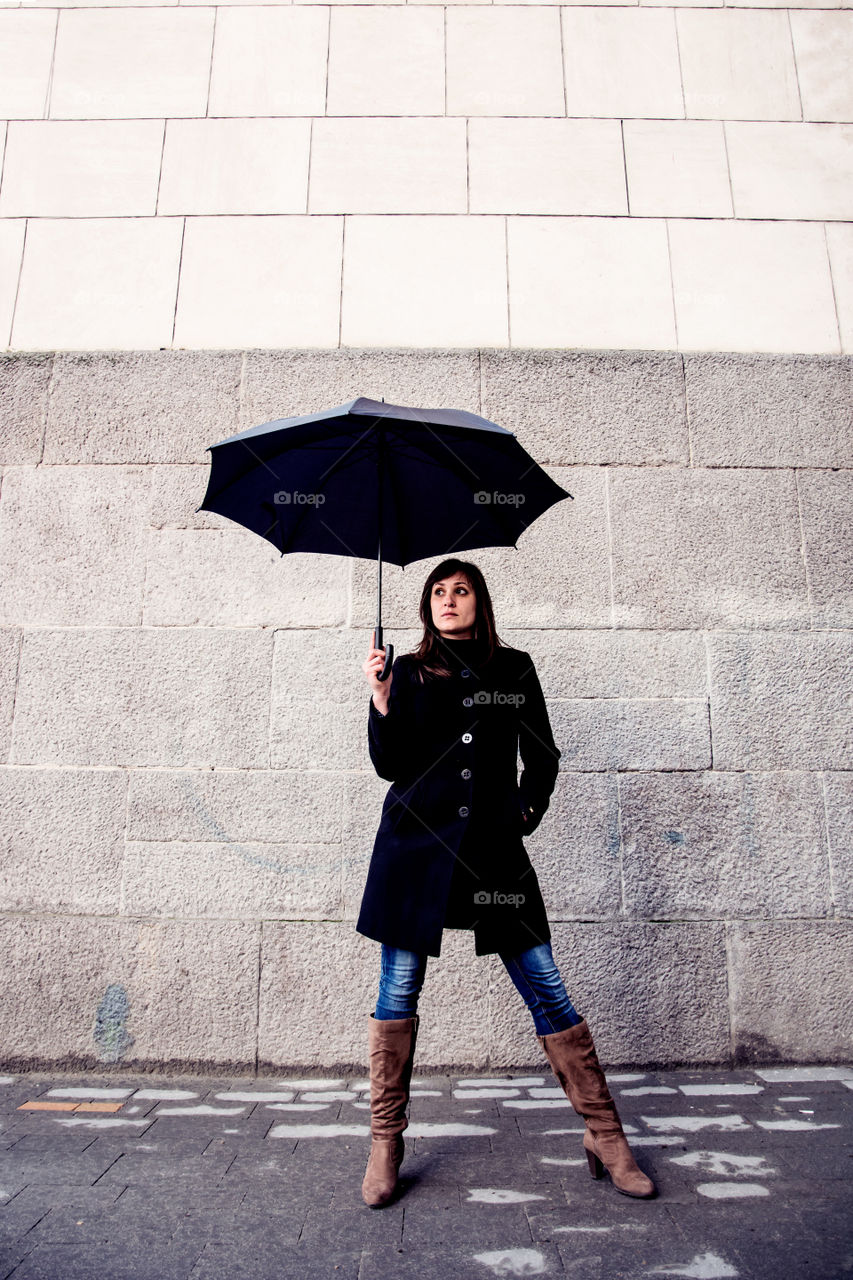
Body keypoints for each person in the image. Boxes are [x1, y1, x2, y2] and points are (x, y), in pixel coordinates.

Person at [357, 557, 655, 1209]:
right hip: (414, 852)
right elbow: (390, 766)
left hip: (493, 854)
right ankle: (385, 1142)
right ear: (425, 607)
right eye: (437, 592)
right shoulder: (406, 671)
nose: (448, 600)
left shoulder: (513, 668)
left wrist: (524, 810)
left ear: (478, 602)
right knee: (398, 985)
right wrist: (380, 702)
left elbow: (542, 753)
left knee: (544, 982)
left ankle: (604, 1134)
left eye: (460, 590)